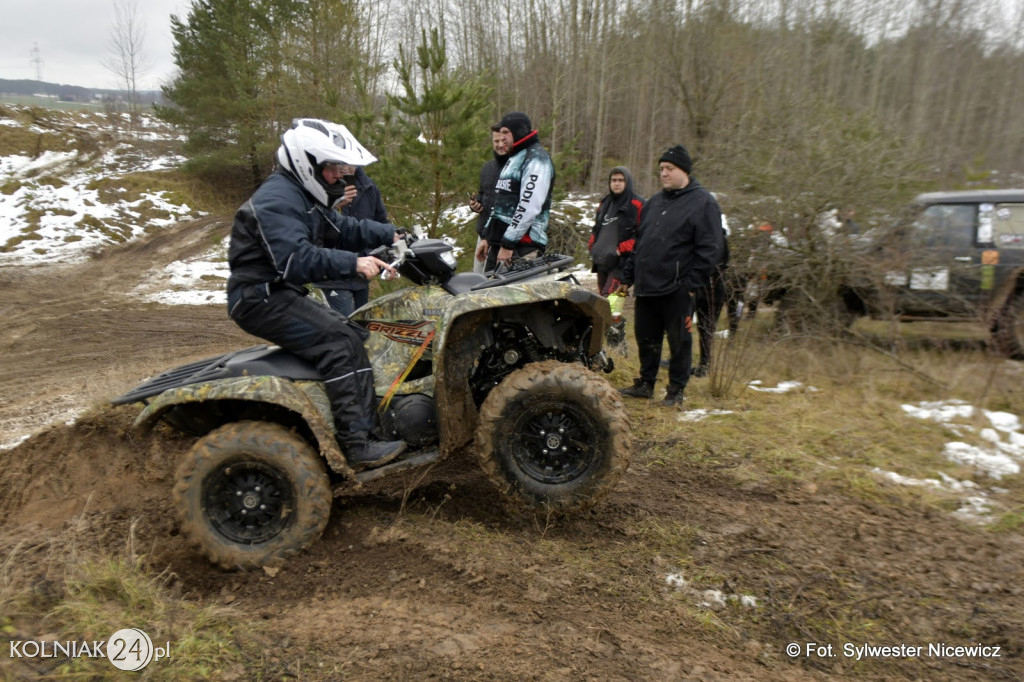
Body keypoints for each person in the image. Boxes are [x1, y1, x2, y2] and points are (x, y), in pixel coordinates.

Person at [226, 118, 406, 470]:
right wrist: (354, 264)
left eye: (341, 167)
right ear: (306, 163)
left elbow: (344, 228)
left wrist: (392, 233)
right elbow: (295, 258)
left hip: (276, 292)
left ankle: (369, 428)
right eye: (332, 168)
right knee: (338, 343)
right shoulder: (277, 198)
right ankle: (356, 446)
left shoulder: (299, 194)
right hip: (258, 297)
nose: (339, 176)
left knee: (354, 335)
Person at [617, 144, 722, 406]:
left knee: (679, 342)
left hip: (677, 289)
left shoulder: (703, 202)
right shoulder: (654, 202)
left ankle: (676, 391)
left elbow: (710, 250)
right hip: (647, 286)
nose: (663, 173)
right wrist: (628, 278)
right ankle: (646, 383)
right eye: (661, 168)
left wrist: (690, 285)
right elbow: (640, 245)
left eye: (669, 169)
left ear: (684, 170)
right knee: (645, 337)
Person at [313, 161, 390, 316]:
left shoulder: (368, 187)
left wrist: (392, 237)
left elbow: (381, 222)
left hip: (362, 273)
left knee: (362, 324)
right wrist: (334, 205)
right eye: (341, 164)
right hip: (333, 274)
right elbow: (313, 224)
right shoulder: (320, 188)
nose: (347, 168)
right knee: (345, 325)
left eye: (351, 163)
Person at [485, 111, 555, 267]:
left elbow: (529, 206)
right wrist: (487, 237)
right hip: (499, 244)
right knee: (487, 290)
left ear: (519, 131)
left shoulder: (537, 159)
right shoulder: (514, 157)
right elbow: (500, 200)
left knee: (515, 292)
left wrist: (508, 243)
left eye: (506, 132)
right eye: (501, 132)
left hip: (522, 246)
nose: (502, 138)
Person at [588, 166, 642, 296]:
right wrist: (592, 246)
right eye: (614, 180)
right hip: (601, 261)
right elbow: (597, 228)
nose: (616, 183)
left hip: (621, 265)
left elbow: (643, 236)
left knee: (609, 302)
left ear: (627, 182)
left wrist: (620, 249)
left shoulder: (637, 204)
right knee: (602, 304)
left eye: (621, 180)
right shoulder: (604, 203)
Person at [691, 216, 730, 377]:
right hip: (698, 287)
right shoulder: (702, 235)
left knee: (706, 327)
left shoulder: (719, 238)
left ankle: (704, 365)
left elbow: (718, 264)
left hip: (713, 289)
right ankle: (682, 360)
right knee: (683, 323)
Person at [471, 124, 510, 273]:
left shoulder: (517, 167)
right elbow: (483, 195)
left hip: (502, 239)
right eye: (496, 141)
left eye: (503, 141)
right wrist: (475, 204)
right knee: (477, 282)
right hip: (483, 235)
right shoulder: (487, 168)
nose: (500, 145)